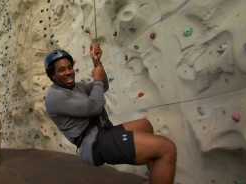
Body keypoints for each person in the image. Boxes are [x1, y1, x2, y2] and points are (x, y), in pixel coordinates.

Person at [44, 43, 177, 184]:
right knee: (166, 149)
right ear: (53, 75)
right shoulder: (55, 97)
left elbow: (103, 86)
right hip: (94, 144)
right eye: (62, 70)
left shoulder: (75, 87)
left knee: (145, 125)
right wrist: (97, 79)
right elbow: (94, 107)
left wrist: (97, 63)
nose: (69, 72)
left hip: (103, 132)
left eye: (70, 67)